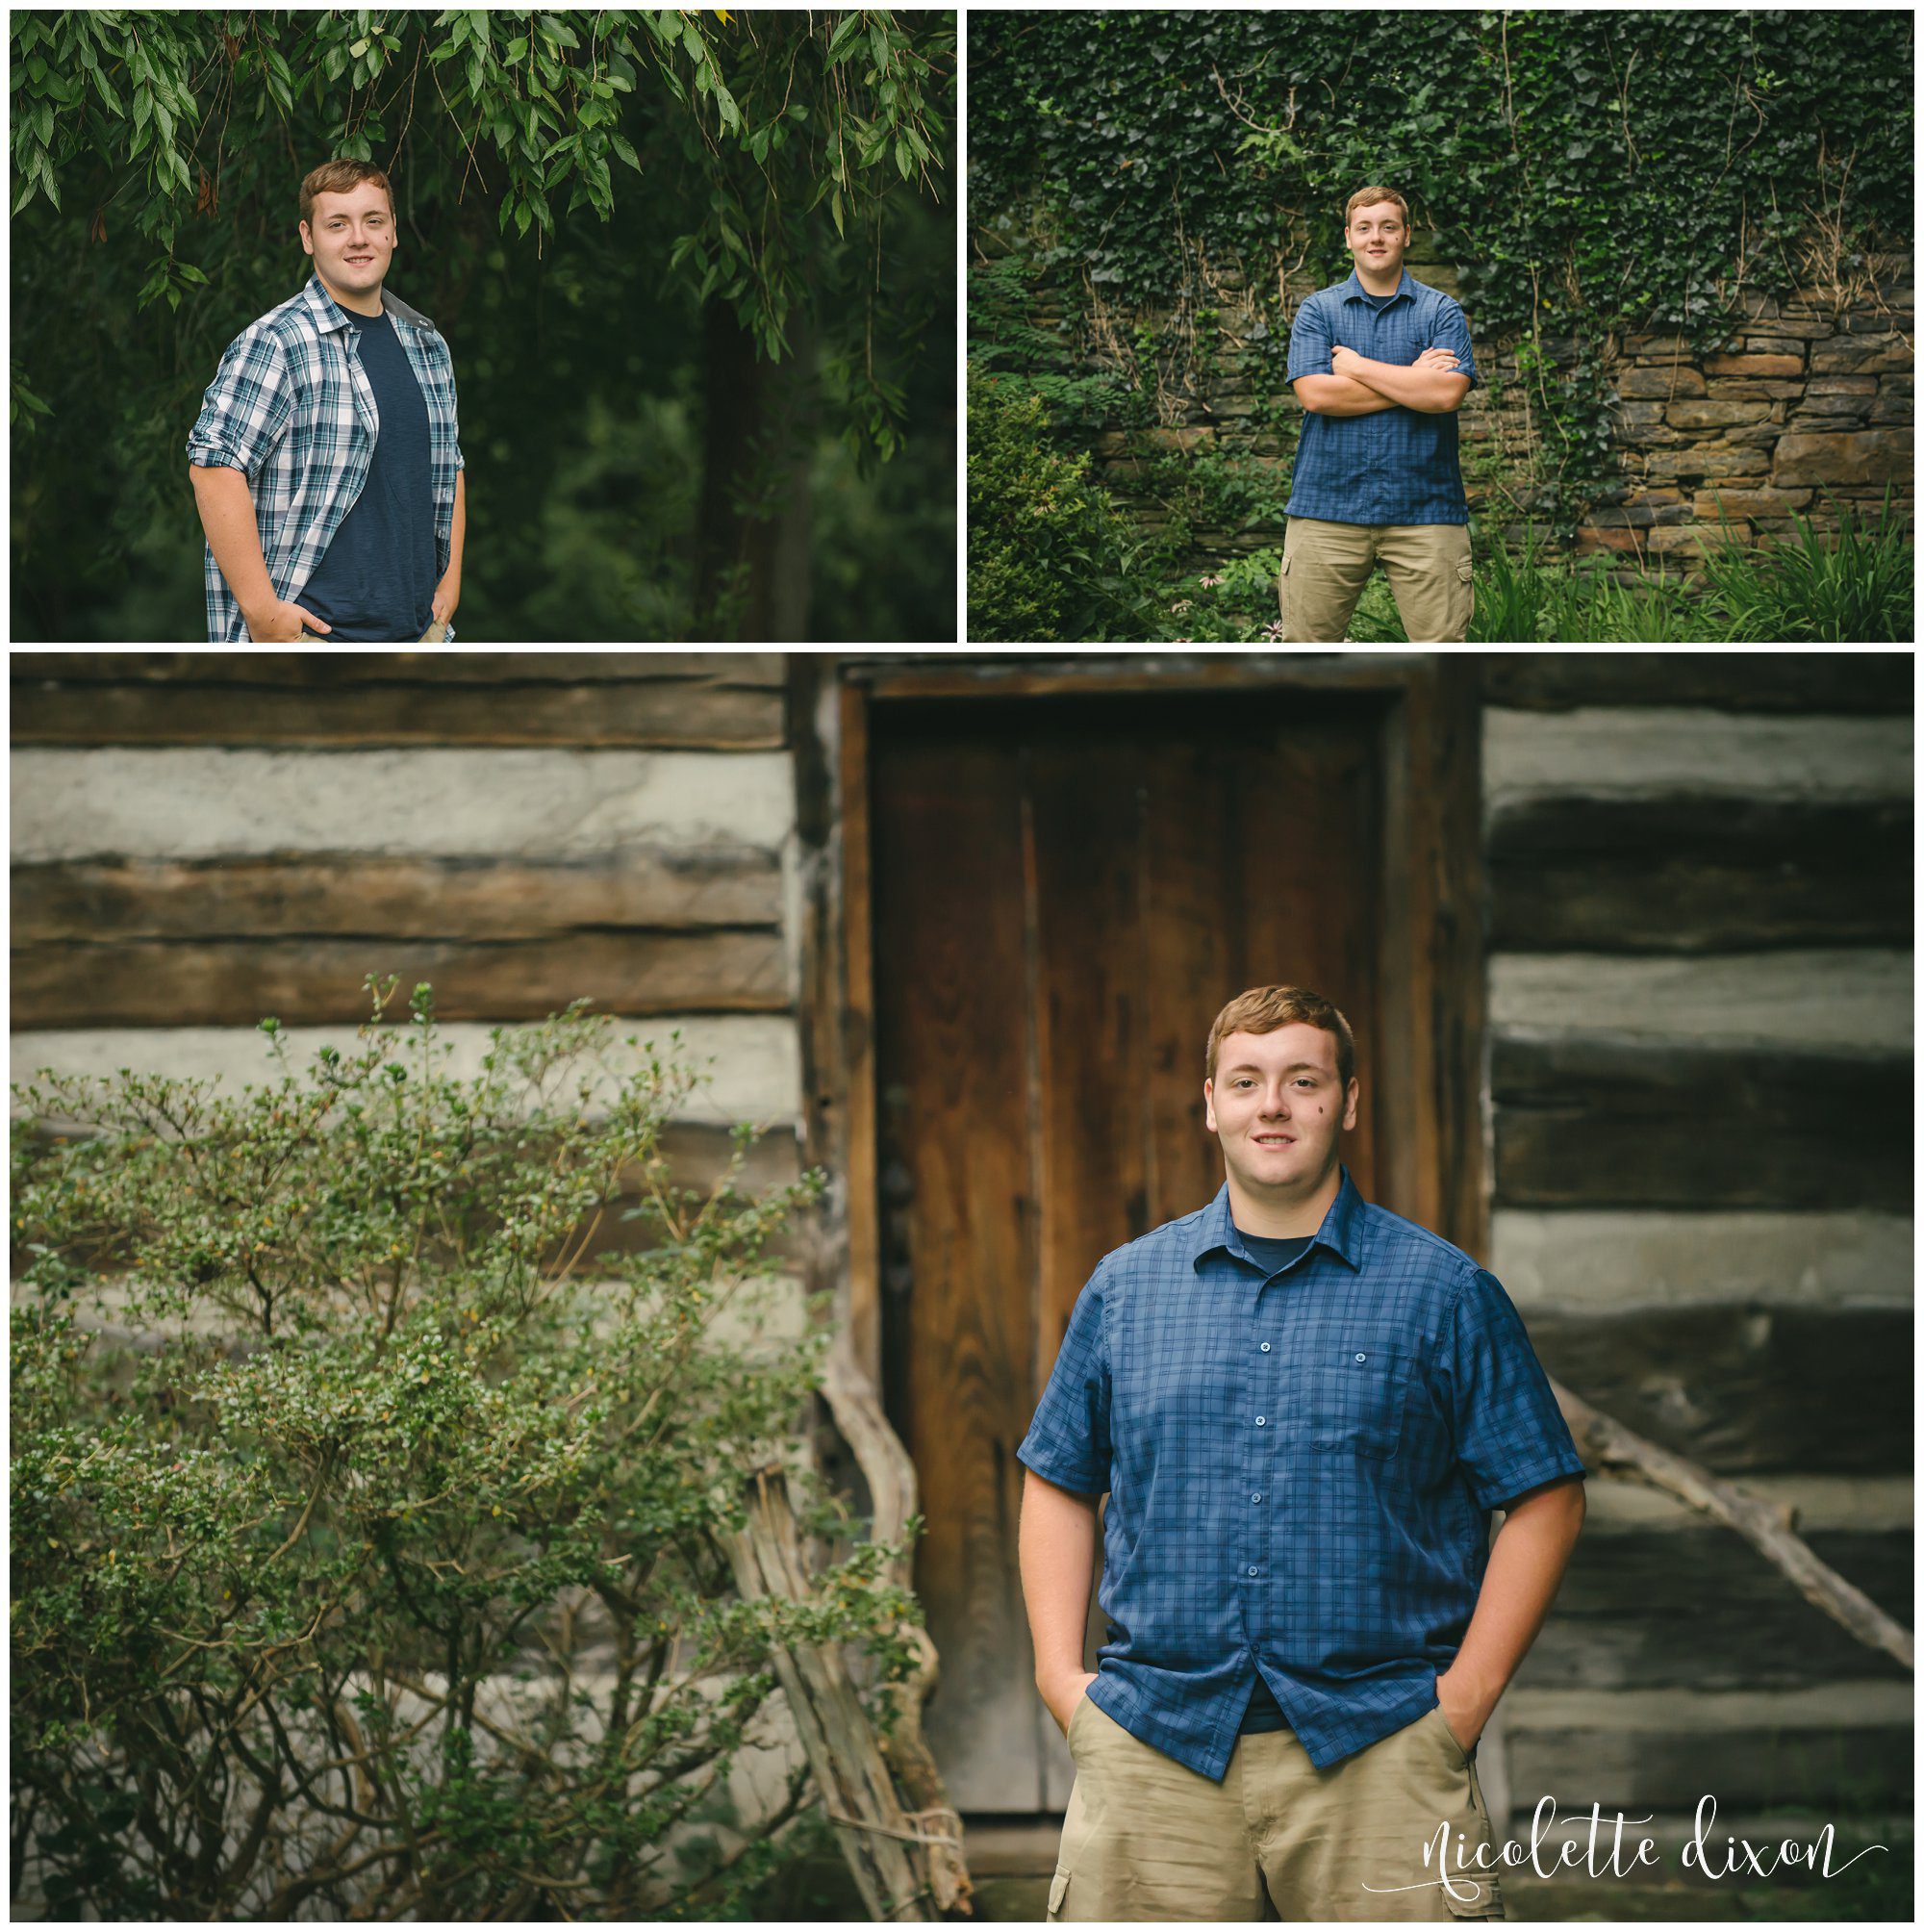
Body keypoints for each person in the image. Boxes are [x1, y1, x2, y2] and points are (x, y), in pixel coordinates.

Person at [1018, 984, 1586, 1921]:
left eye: (1301, 1080)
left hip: (1380, 1750)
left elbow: (1543, 1496)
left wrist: (1461, 1704)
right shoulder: (1126, 1289)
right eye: (1245, 1081)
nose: (1271, 1104)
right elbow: (1057, 1479)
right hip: (1152, 1748)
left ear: (1347, 1101)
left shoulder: (1442, 1294)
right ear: (1210, 1102)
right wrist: (1059, 1680)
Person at [187, 159, 466, 643]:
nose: (358, 238)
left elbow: (449, 463)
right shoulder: (277, 342)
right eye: (337, 224)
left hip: (418, 638)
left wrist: (450, 582)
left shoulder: (428, 346)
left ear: (393, 232)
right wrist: (263, 612)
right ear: (308, 237)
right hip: (310, 643)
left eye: (373, 221)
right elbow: (213, 468)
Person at [1280, 187, 1480, 643]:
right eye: (1365, 228)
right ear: (1348, 237)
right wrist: (1412, 380)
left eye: (1389, 227)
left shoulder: (1440, 311)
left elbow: (1447, 393)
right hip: (1325, 510)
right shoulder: (1319, 311)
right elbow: (1316, 395)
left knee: (1442, 660)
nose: (1377, 238)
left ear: (1406, 235)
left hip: (1426, 512)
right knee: (1306, 659)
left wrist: (1356, 368)